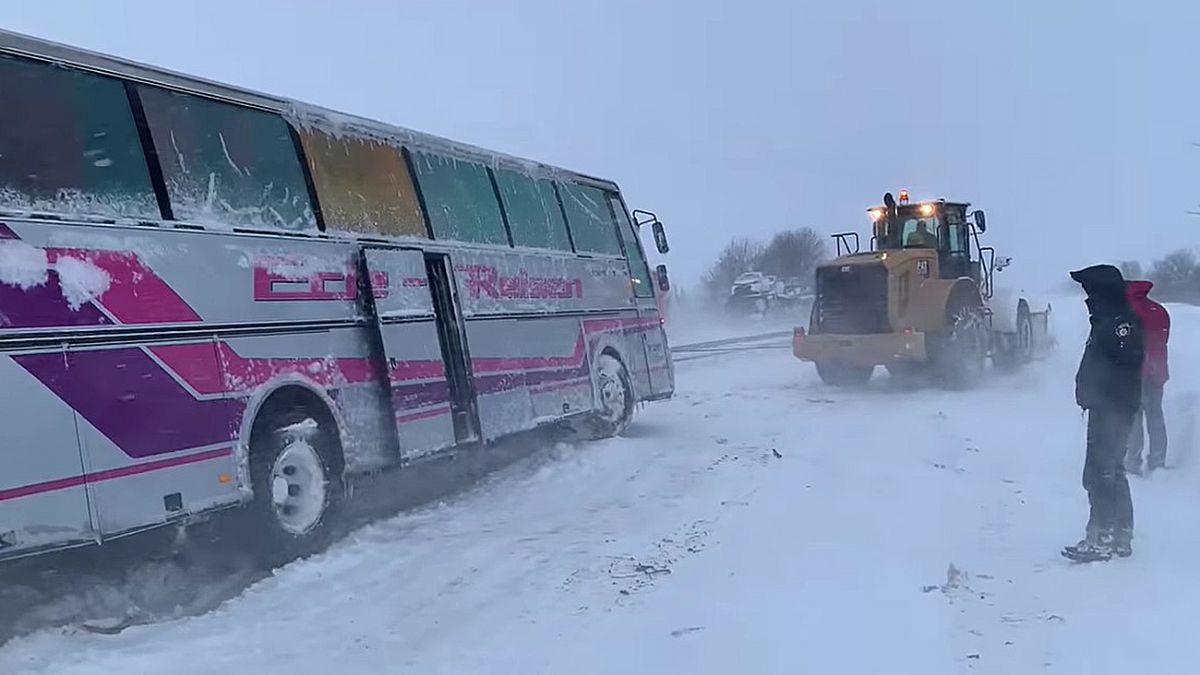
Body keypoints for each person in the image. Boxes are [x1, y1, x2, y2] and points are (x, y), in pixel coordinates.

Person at [1063, 264, 1144, 561]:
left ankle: (1102, 536)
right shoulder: (1108, 320)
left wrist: (1100, 395)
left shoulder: (1119, 324)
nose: (1087, 299)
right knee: (1111, 471)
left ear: (1104, 293)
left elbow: (1125, 363)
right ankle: (1120, 535)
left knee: (1101, 473)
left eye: (1091, 292)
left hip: (1113, 409)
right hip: (1106, 407)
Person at [1124, 280, 1170, 475]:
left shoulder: (1126, 313)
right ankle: (1158, 461)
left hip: (1134, 375)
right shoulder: (1159, 310)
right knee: (1156, 417)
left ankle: (1133, 463)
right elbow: (1164, 339)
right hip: (1157, 373)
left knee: (1134, 420)